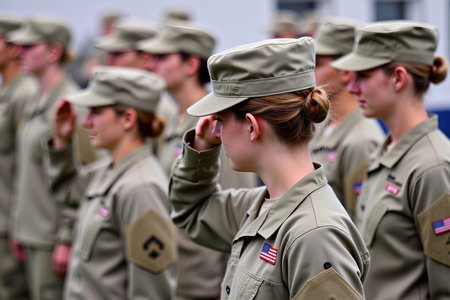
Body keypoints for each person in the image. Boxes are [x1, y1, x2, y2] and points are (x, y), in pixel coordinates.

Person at [169, 37, 369, 299]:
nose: (215, 131)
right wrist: (201, 149)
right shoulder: (261, 206)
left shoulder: (315, 235)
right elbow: (191, 212)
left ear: (252, 126)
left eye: (220, 119)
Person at [139, 22, 258, 300]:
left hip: (202, 284)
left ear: (190, 64)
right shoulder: (172, 119)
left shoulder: (214, 125)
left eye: (162, 57)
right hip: (172, 271)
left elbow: (236, 214)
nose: (152, 64)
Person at [332, 20, 450, 299]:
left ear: (398, 78)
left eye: (363, 75)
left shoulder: (433, 167)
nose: (352, 87)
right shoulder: (385, 154)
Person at [45, 66, 177, 299]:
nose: (85, 122)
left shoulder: (141, 188)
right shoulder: (110, 169)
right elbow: (66, 192)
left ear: (127, 118)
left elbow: (150, 292)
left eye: (96, 112)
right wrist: (62, 141)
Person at [7, 16, 95, 300]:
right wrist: (17, 227)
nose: (19, 52)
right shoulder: (34, 101)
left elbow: (86, 173)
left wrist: (66, 237)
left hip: (50, 237)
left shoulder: (73, 105)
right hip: (30, 232)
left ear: (53, 52)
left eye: (30, 46)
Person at [310, 17, 385, 218]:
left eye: (317, 64)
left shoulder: (361, 141)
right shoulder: (320, 126)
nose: (309, 72)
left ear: (346, 72)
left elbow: (358, 224)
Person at [0, 15, 39, 300]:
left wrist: (16, 223)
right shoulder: (9, 91)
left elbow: (24, 166)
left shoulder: (24, 93)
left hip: (12, 220)